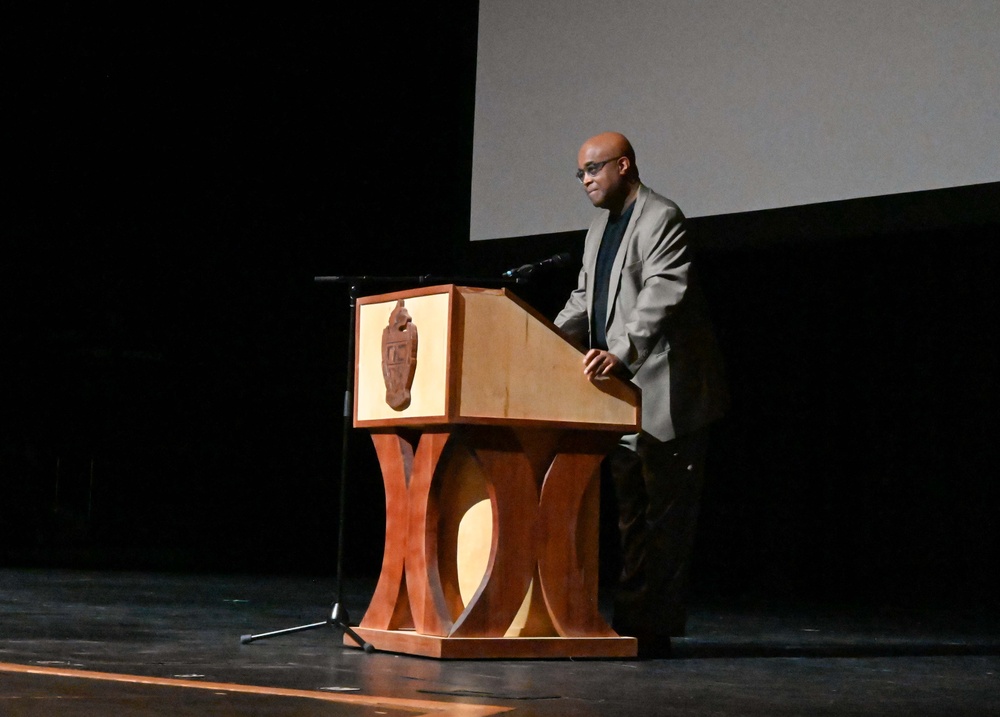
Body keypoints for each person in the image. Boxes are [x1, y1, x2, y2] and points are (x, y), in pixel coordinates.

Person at [554, 131, 729, 656]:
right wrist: (544, 338)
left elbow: (662, 293)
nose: (585, 180)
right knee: (631, 515)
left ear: (623, 165)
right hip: (620, 397)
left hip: (667, 395)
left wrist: (622, 353)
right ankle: (632, 621)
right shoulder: (597, 229)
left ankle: (654, 629)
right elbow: (585, 296)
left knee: (665, 520)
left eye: (593, 169)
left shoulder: (661, 218)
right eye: (580, 173)